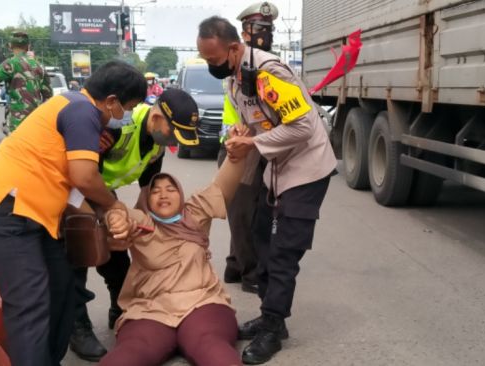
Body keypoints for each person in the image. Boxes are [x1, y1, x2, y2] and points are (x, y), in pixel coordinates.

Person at [0, 60, 147, 366]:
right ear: (111, 101)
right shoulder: (80, 110)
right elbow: (84, 176)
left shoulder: (76, 110)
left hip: (32, 213)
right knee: (30, 303)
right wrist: (114, 206)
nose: (125, 117)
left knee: (62, 290)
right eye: (127, 108)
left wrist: (102, 225)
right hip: (0, 211)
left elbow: (69, 187)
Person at [197, 16, 337, 364]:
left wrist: (254, 143)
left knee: (283, 250)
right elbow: (254, 118)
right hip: (278, 167)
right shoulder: (234, 78)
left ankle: (274, 327)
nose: (210, 66)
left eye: (212, 60)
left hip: (306, 168)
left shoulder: (269, 73)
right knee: (261, 237)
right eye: (205, 60)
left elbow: (303, 126)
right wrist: (239, 135)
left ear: (233, 49)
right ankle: (268, 314)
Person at [70, 89, 201, 362]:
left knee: (119, 251)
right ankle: (77, 326)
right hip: (73, 188)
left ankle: (119, 307)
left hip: (102, 192)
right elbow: (79, 172)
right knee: (80, 252)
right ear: (156, 117)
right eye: (173, 131)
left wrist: (139, 228)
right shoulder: (116, 127)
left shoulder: (156, 143)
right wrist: (105, 216)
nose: (175, 141)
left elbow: (146, 189)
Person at [98, 153, 249, 366]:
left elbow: (222, 187)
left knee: (212, 347)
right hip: (151, 308)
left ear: (180, 194)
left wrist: (236, 155)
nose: (163, 194)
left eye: (171, 189)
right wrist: (114, 218)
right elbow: (118, 213)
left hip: (202, 302)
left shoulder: (195, 213)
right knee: (132, 350)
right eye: (155, 191)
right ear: (147, 200)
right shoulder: (143, 222)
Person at [218, 1, 280, 294]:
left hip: (262, 144)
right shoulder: (239, 62)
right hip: (241, 145)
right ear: (244, 32)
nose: (264, 34)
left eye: (268, 29)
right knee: (243, 211)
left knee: (250, 208)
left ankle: (234, 263)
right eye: (258, 29)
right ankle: (250, 273)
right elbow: (235, 108)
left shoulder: (271, 62)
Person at [0, 31, 52, 132]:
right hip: (36, 117)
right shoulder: (40, 66)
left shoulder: (11, 64)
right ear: (28, 46)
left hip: (17, 118)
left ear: (10, 46)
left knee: (16, 146)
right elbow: (48, 96)